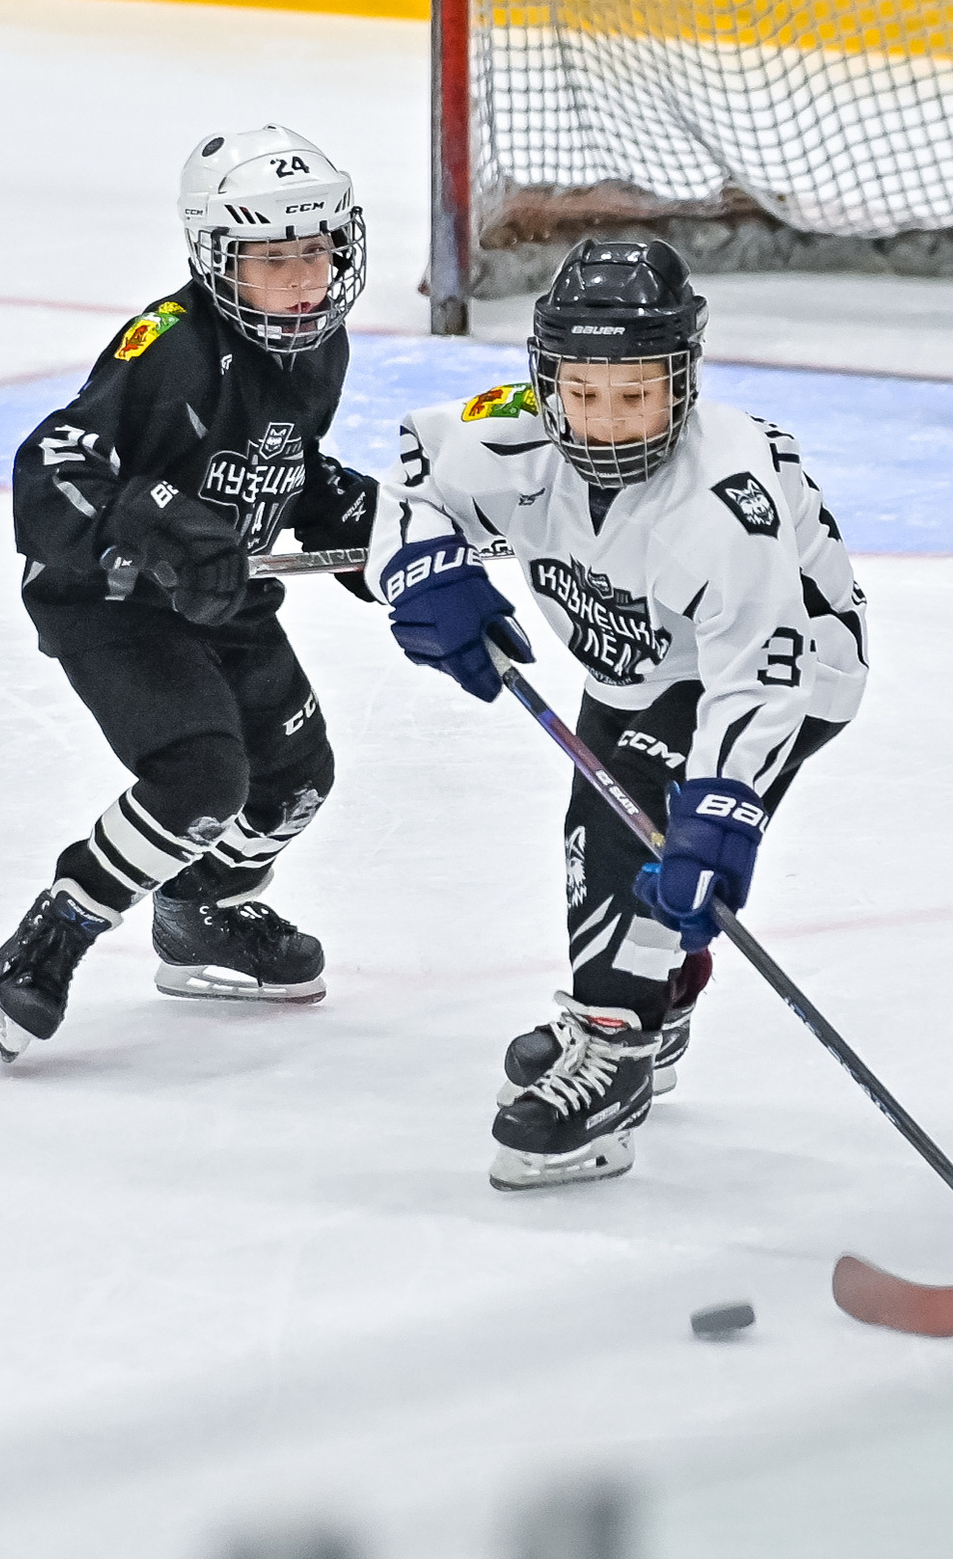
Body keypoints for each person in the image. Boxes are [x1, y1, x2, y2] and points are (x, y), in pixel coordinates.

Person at [378, 238, 868, 1191]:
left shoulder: (725, 501)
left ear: (683, 381)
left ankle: (616, 1050)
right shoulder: (515, 430)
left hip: (785, 670)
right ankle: (656, 996)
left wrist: (722, 810)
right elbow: (414, 475)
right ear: (546, 380)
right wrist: (424, 568)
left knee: (633, 831)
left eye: (635, 394)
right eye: (583, 393)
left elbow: (759, 673)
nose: (604, 423)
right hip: (637, 664)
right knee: (606, 837)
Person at [0, 126, 455, 1061]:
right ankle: (61, 925)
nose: (304, 277)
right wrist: (149, 523)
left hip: (224, 595)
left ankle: (201, 911)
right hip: (112, 601)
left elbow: (283, 462)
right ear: (217, 257)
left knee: (296, 779)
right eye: (274, 258)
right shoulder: (168, 346)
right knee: (201, 778)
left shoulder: (318, 347)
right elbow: (53, 464)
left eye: (316, 249)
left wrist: (360, 522)